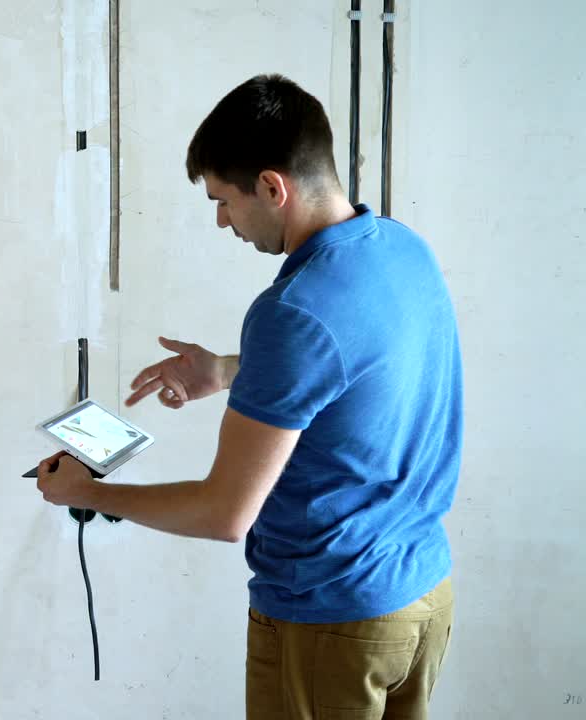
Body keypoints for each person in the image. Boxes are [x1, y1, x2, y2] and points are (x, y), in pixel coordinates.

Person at [33, 75, 461, 719]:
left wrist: (85, 493)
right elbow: (352, 370)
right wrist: (230, 369)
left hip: (330, 622)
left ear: (271, 186)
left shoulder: (293, 312)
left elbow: (223, 514)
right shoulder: (399, 248)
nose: (220, 219)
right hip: (420, 598)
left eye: (223, 200)